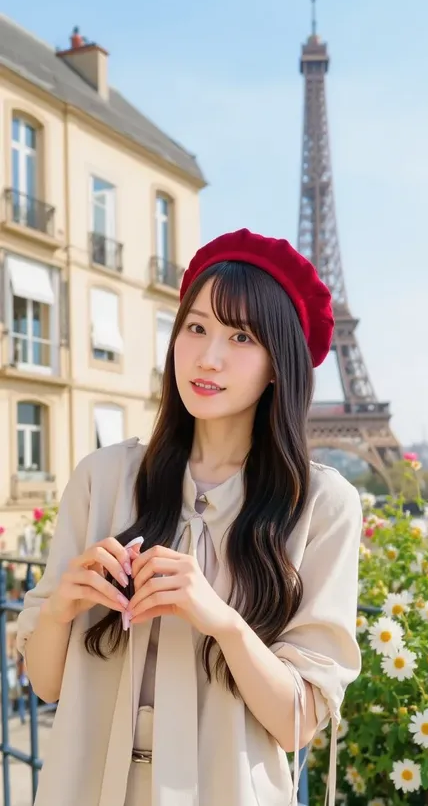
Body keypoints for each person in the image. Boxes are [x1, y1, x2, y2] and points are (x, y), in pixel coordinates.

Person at [16, 229, 362, 806]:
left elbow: (298, 723)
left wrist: (222, 621)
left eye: (241, 336)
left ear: (280, 364)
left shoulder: (323, 506)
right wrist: (61, 606)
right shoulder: (103, 478)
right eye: (195, 327)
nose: (208, 356)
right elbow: (47, 682)